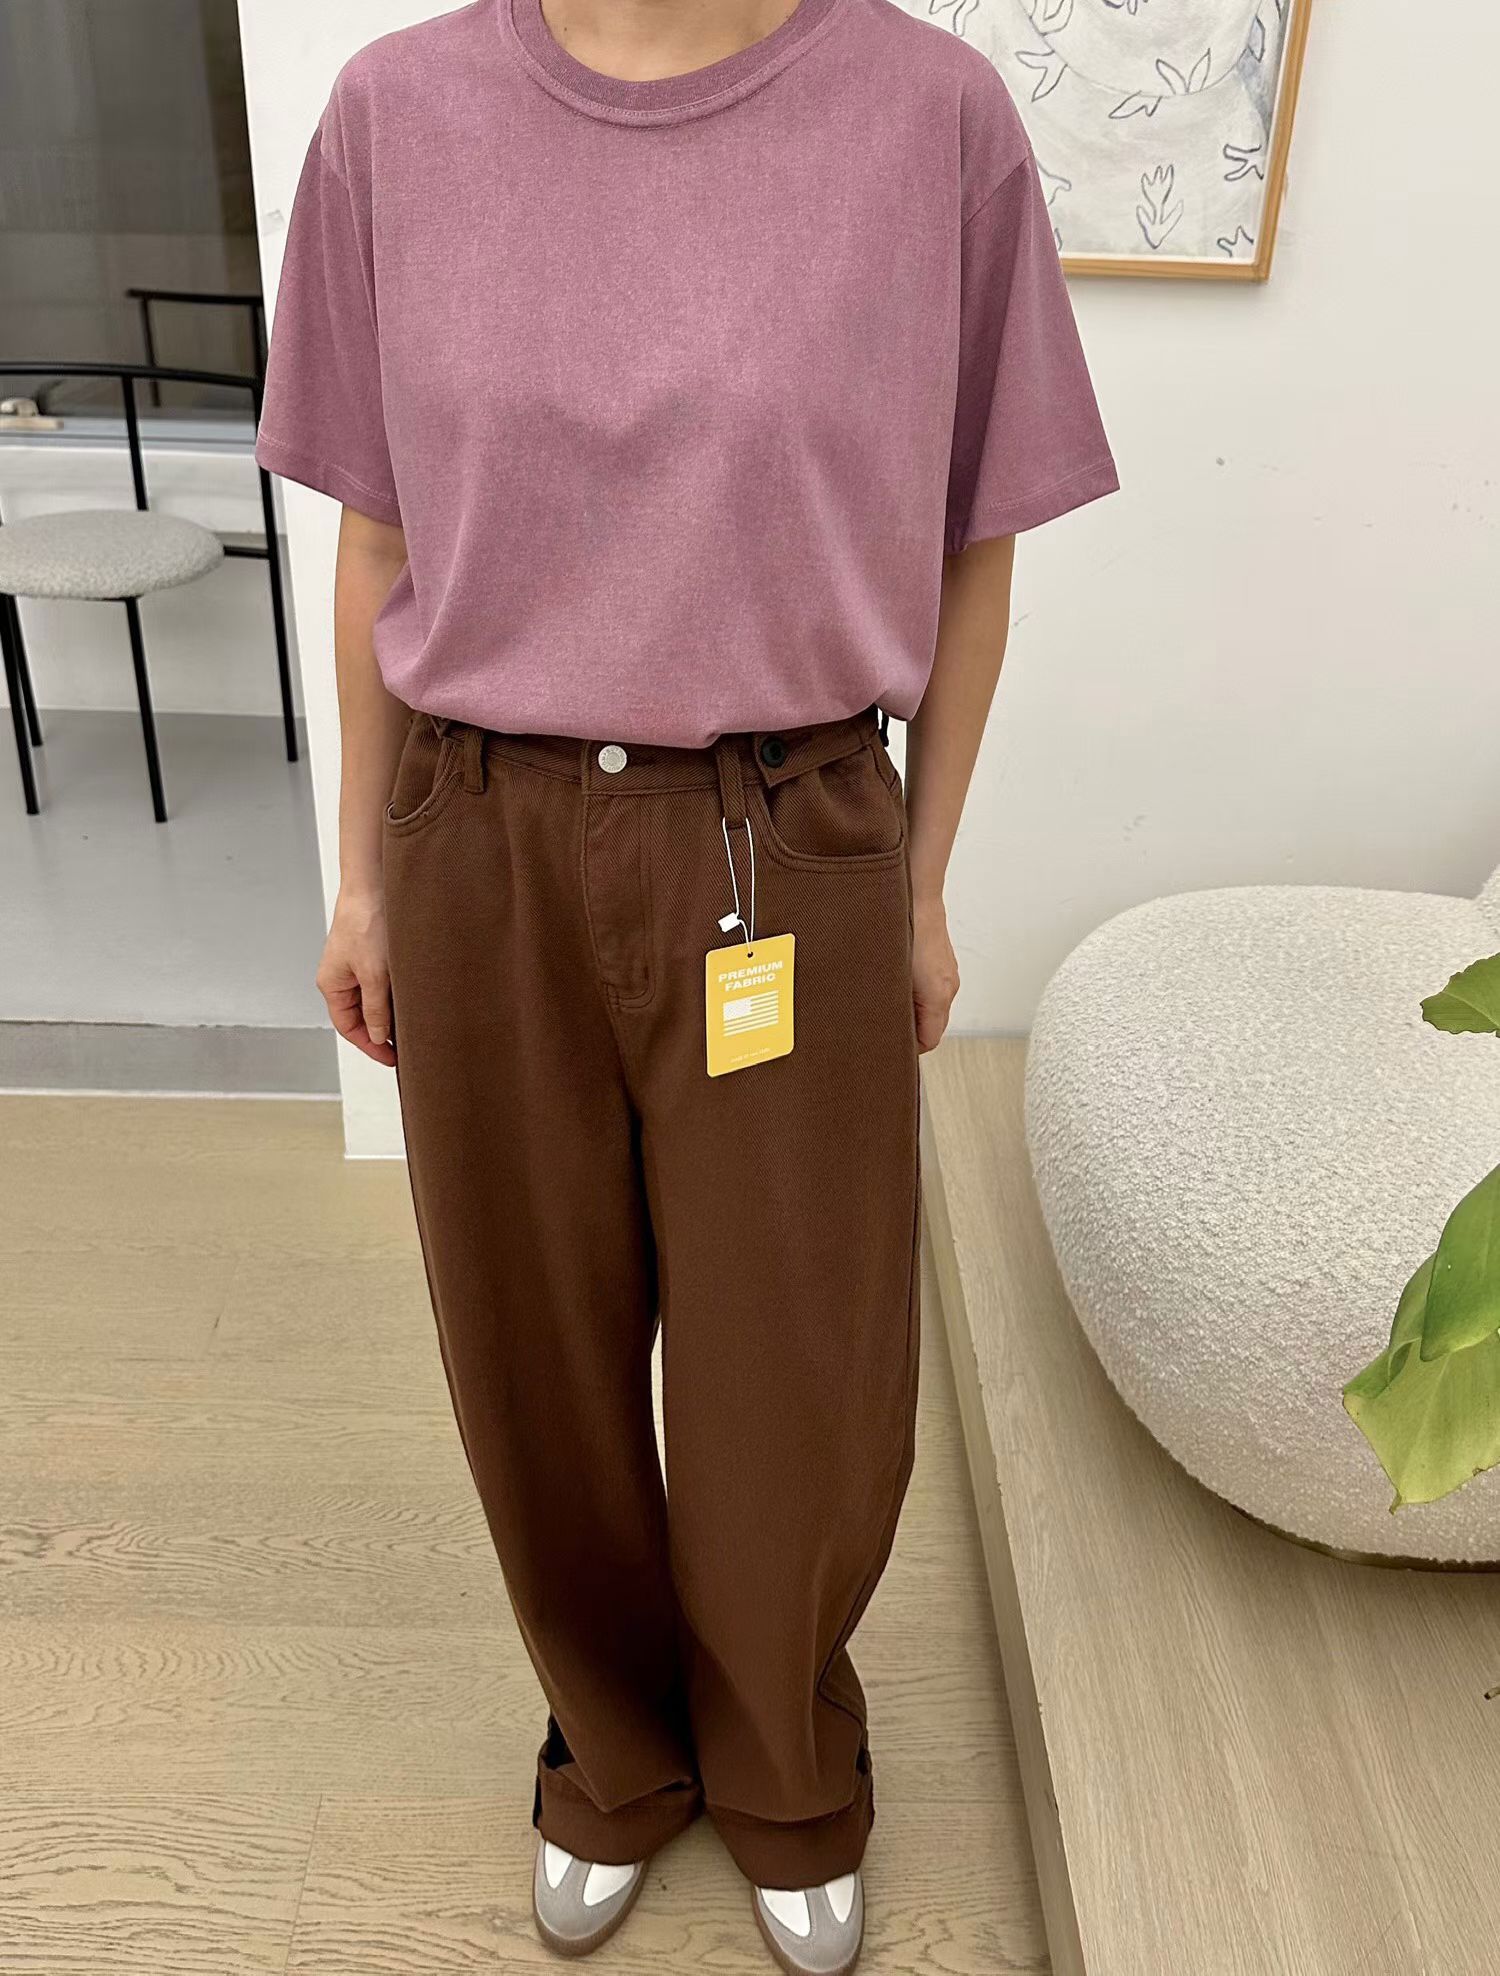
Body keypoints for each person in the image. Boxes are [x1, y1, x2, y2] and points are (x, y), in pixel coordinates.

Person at [255, 0, 1116, 1966]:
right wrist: (364, 880)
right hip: (481, 833)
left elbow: (976, 549)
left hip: (784, 831)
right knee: (531, 1342)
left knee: (796, 1356)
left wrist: (917, 881)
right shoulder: (397, 117)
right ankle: (618, 1748)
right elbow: (376, 539)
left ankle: (785, 1757)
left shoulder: (933, 120)